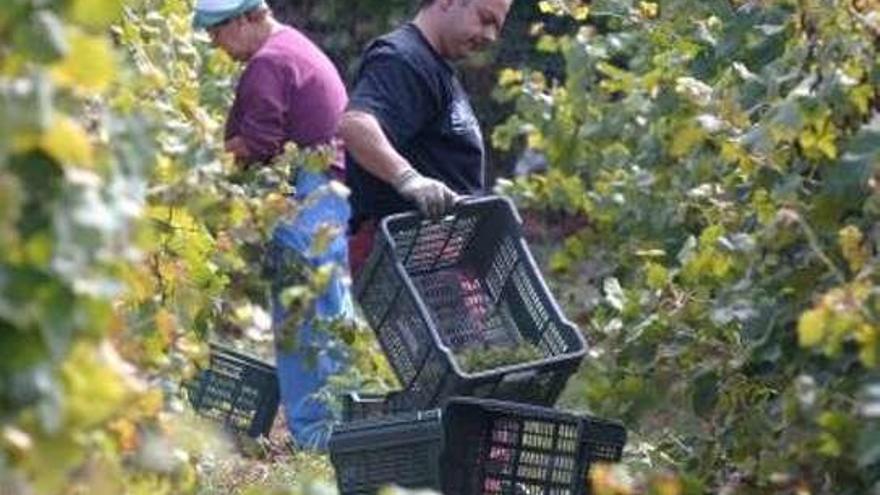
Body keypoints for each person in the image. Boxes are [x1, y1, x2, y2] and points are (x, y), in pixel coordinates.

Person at [192, 0, 353, 449]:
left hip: (308, 194)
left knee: (303, 319)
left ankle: (318, 437)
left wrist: (199, 166)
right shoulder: (294, 46)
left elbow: (260, 142)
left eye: (215, 33)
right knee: (325, 311)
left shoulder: (269, 62)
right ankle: (334, 427)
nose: (215, 46)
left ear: (244, 19)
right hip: (327, 193)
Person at [340, 0, 514, 277]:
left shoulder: (436, 68)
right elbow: (356, 124)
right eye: (484, 19)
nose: (490, 36)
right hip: (402, 261)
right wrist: (408, 179)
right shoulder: (402, 59)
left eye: (497, 27)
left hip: (437, 262)